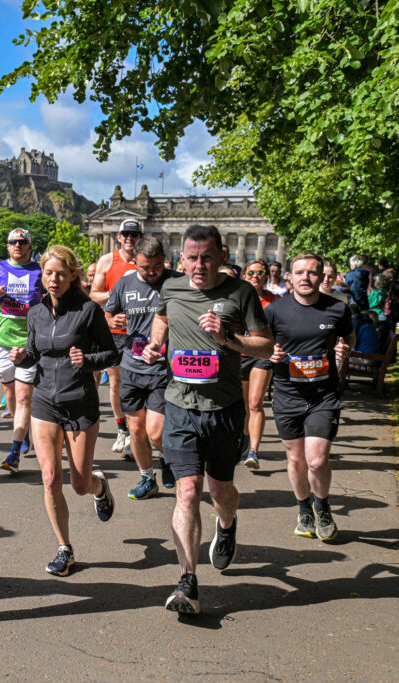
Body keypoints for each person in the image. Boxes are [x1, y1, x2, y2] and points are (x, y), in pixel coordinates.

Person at [141, 224, 272, 616]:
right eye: (191, 257)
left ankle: (227, 525)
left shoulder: (241, 293)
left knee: (220, 493)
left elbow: (265, 344)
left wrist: (228, 338)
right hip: (180, 406)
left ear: (222, 256)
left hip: (224, 409)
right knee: (186, 492)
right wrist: (154, 344)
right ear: (182, 258)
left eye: (206, 257)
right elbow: (162, 318)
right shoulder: (172, 287)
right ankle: (186, 581)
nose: (198, 265)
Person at [10, 245, 119, 577]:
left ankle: (100, 487)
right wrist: (21, 358)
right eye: (48, 273)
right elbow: (33, 354)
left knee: (80, 484)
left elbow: (112, 354)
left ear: (73, 276)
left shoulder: (88, 311)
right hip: (44, 402)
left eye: (60, 273)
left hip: (80, 403)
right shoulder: (36, 313)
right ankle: (64, 548)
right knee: (50, 477)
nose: (53, 279)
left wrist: (86, 361)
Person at [266, 254, 353, 542]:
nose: (306, 277)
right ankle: (304, 509)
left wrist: (344, 350)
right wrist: (270, 353)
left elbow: (348, 338)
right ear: (289, 276)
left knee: (316, 460)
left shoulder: (337, 310)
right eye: (299, 272)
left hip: (323, 396)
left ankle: (323, 507)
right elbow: (262, 344)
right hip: (287, 394)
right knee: (296, 459)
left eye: (312, 273)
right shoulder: (275, 311)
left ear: (321, 276)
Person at [104, 235, 182, 499]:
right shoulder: (124, 283)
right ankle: (147, 478)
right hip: (131, 366)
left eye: (157, 266)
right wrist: (112, 318)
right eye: (145, 267)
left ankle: (169, 460)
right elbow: (107, 315)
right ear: (134, 261)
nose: (151, 272)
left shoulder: (176, 282)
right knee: (136, 430)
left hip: (164, 368)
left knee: (155, 431)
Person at [0, 227, 44, 473]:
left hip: (30, 341)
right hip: (2, 339)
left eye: (22, 241)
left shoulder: (39, 271)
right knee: (10, 395)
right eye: (13, 242)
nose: (17, 245)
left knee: (23, 396)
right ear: (7, 246)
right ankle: (23, 431)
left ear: (29, 245)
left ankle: (14, 450)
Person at [90, 218, 140, 455]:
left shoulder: (146, 262)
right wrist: (117, 295)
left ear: (140, 237)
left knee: (139, 384)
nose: (130, 238)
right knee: (118, 383)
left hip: (142, 333)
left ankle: (137, 431)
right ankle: (123, 430)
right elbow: (94, 294)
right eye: (125, 234)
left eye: (134, 234)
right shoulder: (108, 260)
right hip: (115, 333)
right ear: (119, 236)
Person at [239, 259, 279, 470]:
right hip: (241, 354)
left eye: (260, 272)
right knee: (244, 404)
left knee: (255, 403)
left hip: (263, 356)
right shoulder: (237, 298)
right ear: (245, 275)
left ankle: (254, 451)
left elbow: (283, 329)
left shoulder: (275, 301)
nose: (256, 276)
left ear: (266, 275)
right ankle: (245, 437)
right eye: (251, 272)